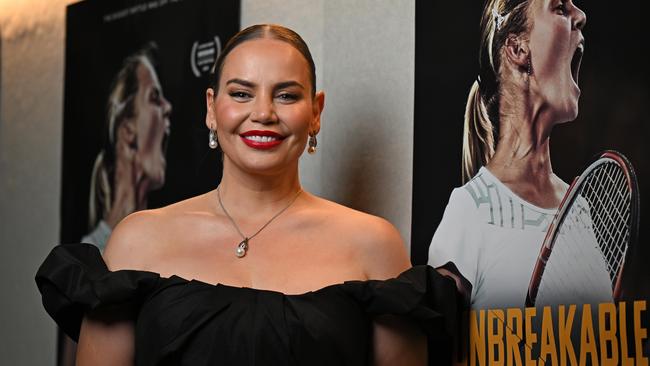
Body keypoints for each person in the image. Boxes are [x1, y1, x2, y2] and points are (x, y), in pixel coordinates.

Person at [37, 24, 463, 365]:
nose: (263, 113)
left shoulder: (374, 244)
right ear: (211, 108)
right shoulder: (137, 239)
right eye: (241, 93)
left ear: (315, 113)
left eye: (287, 95)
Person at [428, 0, 611, 310]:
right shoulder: (470, 211)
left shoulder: (578, 209)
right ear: (517, 49)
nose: (581, 15)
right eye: (560, 7)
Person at [83, 43, 172, 252]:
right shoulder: (91, 255)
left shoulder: (167, 246)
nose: (168, 107)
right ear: (128, 131)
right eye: (154, 97)